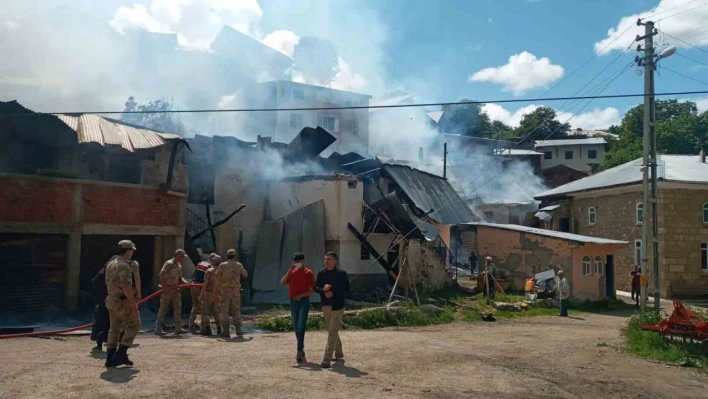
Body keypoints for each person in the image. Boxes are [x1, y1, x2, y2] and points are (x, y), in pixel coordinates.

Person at [104, 240, 141, 367]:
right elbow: (126, 286)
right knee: (134, 325)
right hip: (122, 301)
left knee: (114, 328)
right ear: (128, 251)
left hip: (111, 299)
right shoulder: (124, 266)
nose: (132, 252)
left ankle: (110, 357)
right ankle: (121, 354)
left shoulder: (111, 263)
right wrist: (133, 303)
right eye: (132, 250)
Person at [315, 252, 349, 369]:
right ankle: (339, 352)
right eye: (325, 259)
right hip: (326, 305)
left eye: (329, 259)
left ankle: (327, 359)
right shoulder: (321, 273)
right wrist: (323, 290)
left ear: (335, 261)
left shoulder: (341, 274)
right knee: (331, 329)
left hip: (338, 306)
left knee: (332, 330)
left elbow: (346, 288)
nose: (326, 261)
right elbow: (315, 287)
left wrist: (333, 291)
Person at [280, 252, 315, 364]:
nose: (296, 263)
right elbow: (282, 282)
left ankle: (299, 351)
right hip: (293, 302)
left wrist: (300, 296)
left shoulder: (308, 272)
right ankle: (301, 348)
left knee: (301, 325)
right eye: (295, 261)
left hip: (303, 301)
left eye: (298, 261)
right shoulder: (292, 272)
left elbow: (311, 290)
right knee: (295, 326)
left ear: (302, 261)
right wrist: (290, 269)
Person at [155, 249, 190, 335]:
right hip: (167, 290)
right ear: (178, 256)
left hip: (175, 290)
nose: (183, 259)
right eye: (182, 257)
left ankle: (178, 328)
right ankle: (158, 329)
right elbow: (161, 274)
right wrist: (164, 286)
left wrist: (188, 284)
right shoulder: (169, 263)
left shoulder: (179, 265)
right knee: (163, 309)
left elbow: (180, 278)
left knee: (178, 309)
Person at [215, 249, 248, 338]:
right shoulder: (239, 265)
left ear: (227, 256)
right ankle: (238, 330)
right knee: (236, 310)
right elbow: (245, 275)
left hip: (225, 291)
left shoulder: (222, 265)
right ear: (234, 256)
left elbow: (217, 276)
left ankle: (226, 331)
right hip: (235, 291)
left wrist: (217, 288)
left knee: (224, 311)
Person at [189, 254, 215, 333]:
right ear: (212, 260)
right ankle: (204, 328)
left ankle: (191, 326)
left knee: (195, 305)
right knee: (204, 308)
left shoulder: (200, 263)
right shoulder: (210, 267)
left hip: (193, 285)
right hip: (200, 287)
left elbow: (193, 274)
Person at [199, 254, 222, 336]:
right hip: (217, 294)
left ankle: (208, 329)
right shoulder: (221, 271)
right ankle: (219, 329)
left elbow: (205, 284)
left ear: (213, 261)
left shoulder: (209, 271)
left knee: (205, 311)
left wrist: (201, 295)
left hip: (208, 293)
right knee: (216, 312)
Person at [90, 265, 109, 352]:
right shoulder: (105, 273)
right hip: (105, 301)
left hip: (105, 300)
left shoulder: (105, 272)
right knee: (104, 323)